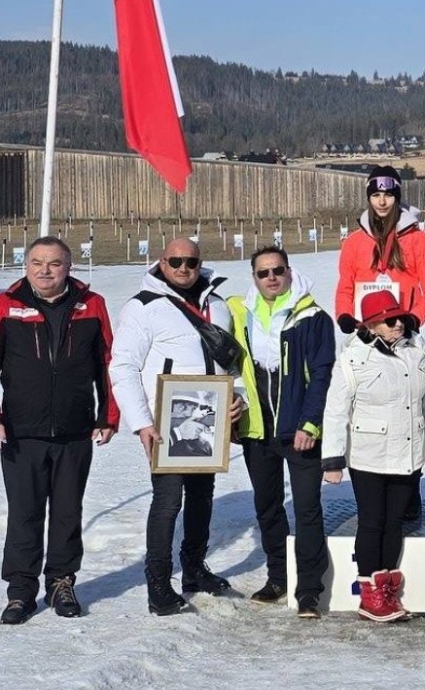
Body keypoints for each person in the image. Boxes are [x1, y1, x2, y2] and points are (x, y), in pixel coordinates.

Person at [110, 238, 245, 616]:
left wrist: (238, 398)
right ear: (162, 263)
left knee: (202, 496)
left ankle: (194, 568)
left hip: (209, 416)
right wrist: (141, 423)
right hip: (167, 418)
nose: (183, 268)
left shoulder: (217, 306)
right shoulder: (143, 307)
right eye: (175, 261)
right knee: (168, 501)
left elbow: (233, 364)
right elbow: (122, 367)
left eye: (191, 262)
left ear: (200, 264)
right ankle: (158, 582)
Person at [0, 237, 119, 625]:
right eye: (37, 262)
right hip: (21, 431)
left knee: (68, 512)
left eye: (54, 263)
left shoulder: (92, 304)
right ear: (26, 265)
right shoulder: (7, 304)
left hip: (74, 430)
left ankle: (61, 582)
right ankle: (20, 591)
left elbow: (107, 363)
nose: (45, 270)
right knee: (24, 514)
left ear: (68, 266)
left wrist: (108, 416)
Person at [228, 246, 335, 619]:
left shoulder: (313, 317)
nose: (271, 278)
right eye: (263, 273)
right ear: (254, 277)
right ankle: (278, 577)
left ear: (289, 272)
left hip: (299, 430)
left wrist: (310, 423)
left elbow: (322, 374)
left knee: (307, 509)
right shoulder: (240, 313)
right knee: (268, 507)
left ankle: (308, 588)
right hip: (257, 431)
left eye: (278, 270)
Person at [321, 290, 425, 623]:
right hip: (368, 454)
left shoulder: (418, 349)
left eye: (400, 317)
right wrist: (332, 460)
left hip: (409, 450)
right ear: (372, 325)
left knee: (394, 522)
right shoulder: (354, 357)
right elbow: (335, 410)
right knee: (372, 521)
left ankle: (385, 589)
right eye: (389, 320)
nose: (398, 324)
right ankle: (369, 593)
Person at [334, 165, 425, 521]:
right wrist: (344, 316)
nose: (382, 201)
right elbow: (346, 286)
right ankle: (370, 495)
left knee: (407, 409)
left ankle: (407, 502)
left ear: (398, 196)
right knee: (367, 411)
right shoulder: (354, 242)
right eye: (376, 195)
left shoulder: (416, 239)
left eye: (389, 194)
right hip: (367, 339)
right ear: (368, 197)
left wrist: (414, 319)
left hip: (403, 337)